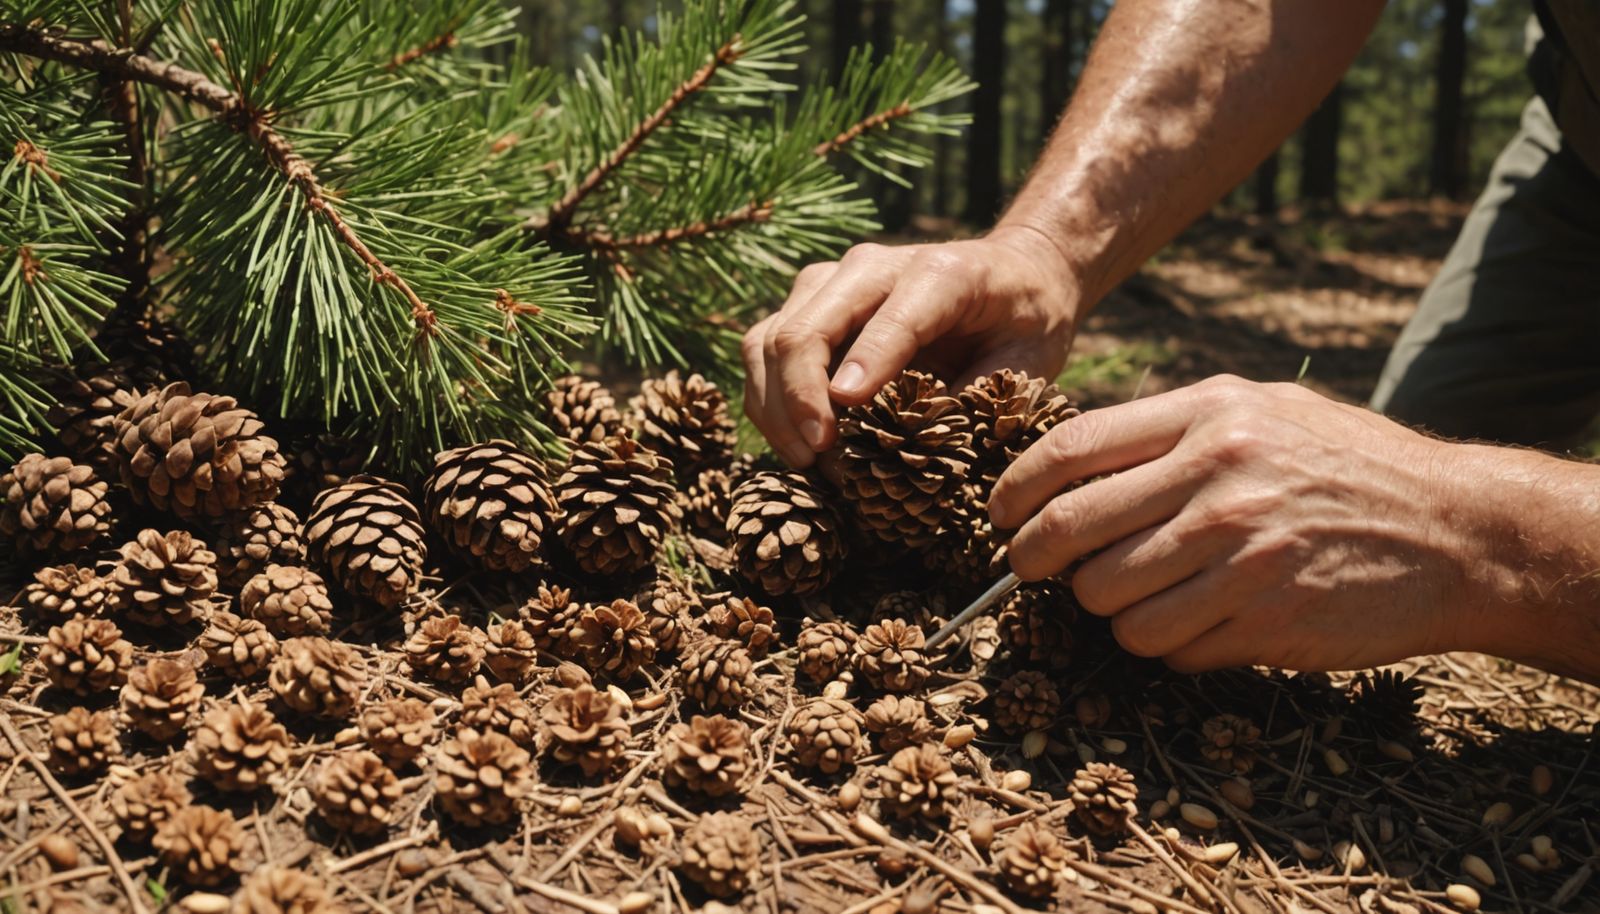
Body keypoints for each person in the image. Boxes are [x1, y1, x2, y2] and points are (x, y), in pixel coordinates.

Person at [741, 0, 1600, 684]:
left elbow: (1460, 526)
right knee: (1423, 433)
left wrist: (1465, 532)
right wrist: (1047, 250)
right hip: (1581, 129)